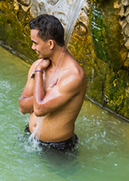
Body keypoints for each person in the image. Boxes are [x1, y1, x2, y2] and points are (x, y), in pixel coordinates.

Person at [18, 14, 86, 152]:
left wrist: (38, 75)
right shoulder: (39, 65)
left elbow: (39, 109)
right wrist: (43, 89)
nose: (32, 47)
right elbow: (23, 107)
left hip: (57, 149)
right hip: (30, 136)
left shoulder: (73, 76)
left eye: (35, 43)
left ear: (50, 44)